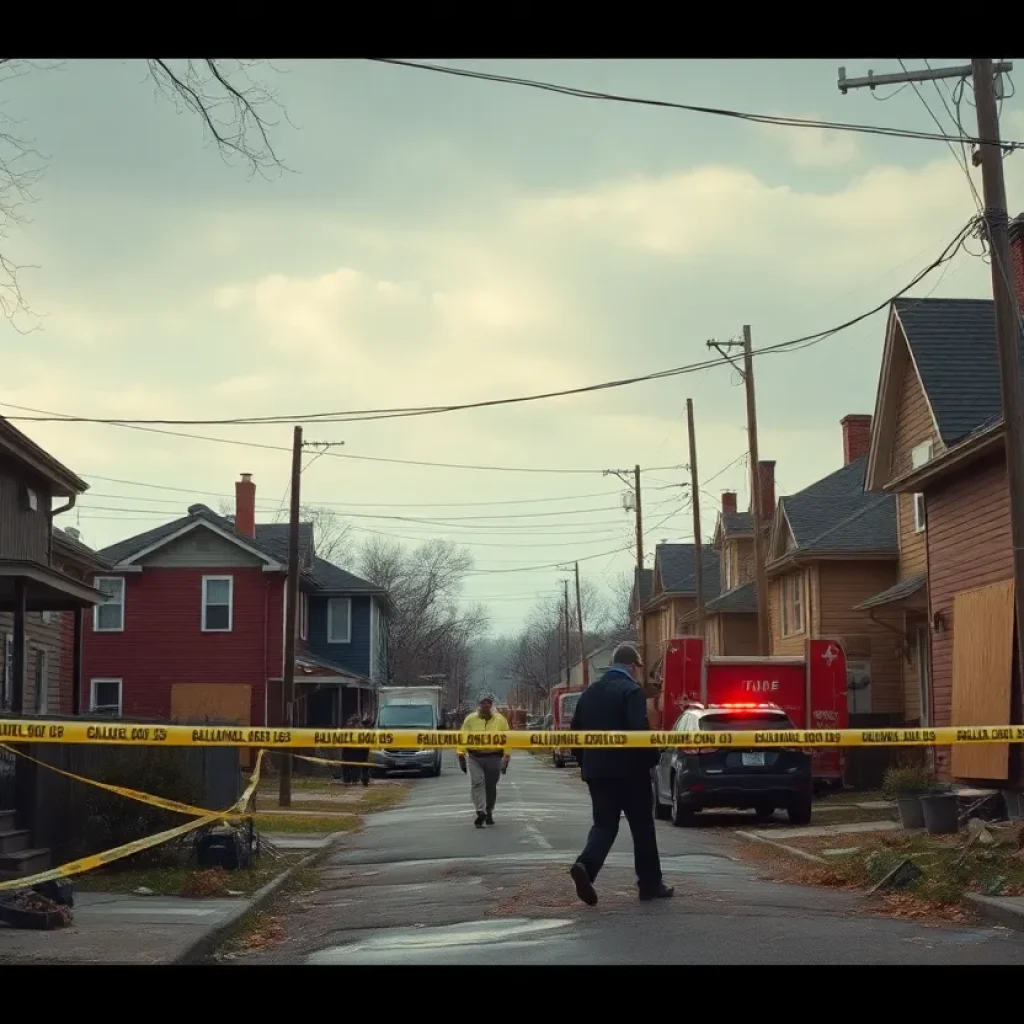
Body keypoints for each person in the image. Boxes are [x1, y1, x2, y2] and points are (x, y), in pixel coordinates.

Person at [568, 643, 673, 906]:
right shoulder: (631, 691)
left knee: (604, 824)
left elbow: (574, 731)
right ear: (630, 666)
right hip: (630, 773)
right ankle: (649, 884)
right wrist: (652, 759)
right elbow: (638, 731)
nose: (638, 673)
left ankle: (585, 867)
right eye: (637, 668)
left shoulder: (590, 692)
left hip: (598, 773)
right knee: (642, 827)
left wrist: (585, 763)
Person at [457, 695, 510, 828]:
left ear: (491, 705)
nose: (486, 706)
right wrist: (461, 754)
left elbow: (507, 737)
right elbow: (463, 736)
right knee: (477, 783)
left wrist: (507, 756)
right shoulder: (470, 719)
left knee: (490, 786)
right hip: (475, 757)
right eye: (483, 703)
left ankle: (489, 810)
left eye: (488, 703)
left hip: (494, 757)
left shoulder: (500, 720)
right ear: (479, 705)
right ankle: (480, 811)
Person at [341, 713, 370, 787]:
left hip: (353, 751)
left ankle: (349, 780)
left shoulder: (347, 728)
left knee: (349, 766)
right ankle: (354, 780)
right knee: (355, 766)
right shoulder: (362, 729)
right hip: (356, 751)